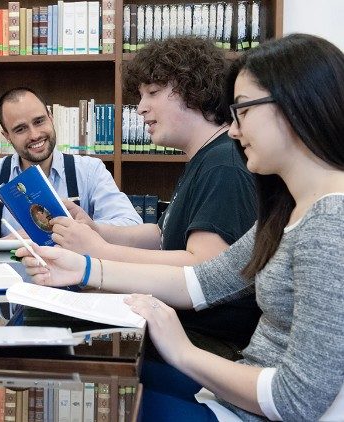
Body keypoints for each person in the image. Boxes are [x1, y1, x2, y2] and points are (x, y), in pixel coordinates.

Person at [17, 34, 344, 420]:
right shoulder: (287, 208)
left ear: (294, 106)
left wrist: (184, 352)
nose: (235, 130)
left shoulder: (328, 225)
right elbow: (204, 280)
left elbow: (298, 399)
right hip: (233, 394)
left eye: (243, 111)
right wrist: (86, 267)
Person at [54, 37, 260, 357]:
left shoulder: (224, 165)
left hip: (206, 344)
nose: (141, 108)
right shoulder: (204, 159)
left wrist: (101, 253)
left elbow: (200, 268)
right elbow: (163, 238)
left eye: (152, 93)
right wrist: (98, 230)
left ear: (194, 89)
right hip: (180, 329)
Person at [0, 87, 141, 249]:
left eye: (39, 121)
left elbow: (131, 225)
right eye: (21, 129)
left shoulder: (90, 170)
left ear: (51, 119)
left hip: (77, 289)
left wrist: (87, 227)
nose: (35, 135)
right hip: (11, 291)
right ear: (7, 136)